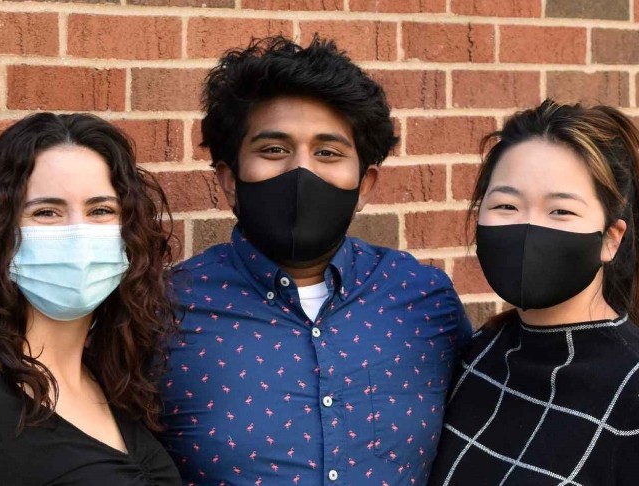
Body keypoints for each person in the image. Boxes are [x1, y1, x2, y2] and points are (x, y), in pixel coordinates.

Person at [159, 36, 474, 485]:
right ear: (229, 181)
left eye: (328, 153)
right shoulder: (163, 310)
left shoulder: (424, 298)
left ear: (365, 185)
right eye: (273, 150)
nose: (300, 171)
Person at [429, 100, 639, 485]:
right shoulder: (479, 353)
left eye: (560, 211)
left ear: (610, 240)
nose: (528, 228)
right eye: (506, 205)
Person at [0, 113, 182, 485]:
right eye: (47, 212)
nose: (79, 234)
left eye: (101, 210)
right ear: (1, 236)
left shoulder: (111, 380)